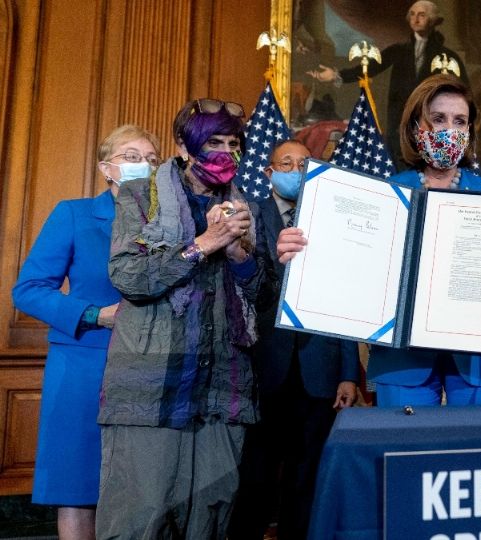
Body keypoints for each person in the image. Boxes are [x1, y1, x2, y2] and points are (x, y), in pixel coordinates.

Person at [277, 74, 481, 407]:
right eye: (438, 119)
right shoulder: (384, 196)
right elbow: (351, 270)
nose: (449, 129)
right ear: (415, 128)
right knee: (407, 453)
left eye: (459, 121)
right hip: (403, 360)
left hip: (480, 358)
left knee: (477, 452)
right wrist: (304, 251)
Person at [96, 99, 265, 538]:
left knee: (209, 518)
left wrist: (239, 254)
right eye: (214, 141)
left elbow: (262, 294)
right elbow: (129, 276)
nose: (225, 152)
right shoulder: (141, 195)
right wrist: (204, 244)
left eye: (233, 143)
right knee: (140, 517)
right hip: (153, 386)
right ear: (186, 147)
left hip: (222, 389)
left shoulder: (246, 207)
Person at [11, 125, 159, 540]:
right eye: (131, 156)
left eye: (151, 159)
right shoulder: (74, 214)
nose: (143, 165)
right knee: (77, 489)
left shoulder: (170, 223)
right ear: (106, 168)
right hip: (84, 364)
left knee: (144, 487)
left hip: (153, 367)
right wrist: (96, 314)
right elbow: (28, 290)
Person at [228, 139, 359, 540]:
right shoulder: (249, 216)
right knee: (256, 475)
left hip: (320, 370)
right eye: (288, 163)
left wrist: (349, 373)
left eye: (305, 164)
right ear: (269, 172)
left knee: (307, 478)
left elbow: (345, 300)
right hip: (264, 365)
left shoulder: (332, 219)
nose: (297, 170)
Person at [308, 1, 468, 166]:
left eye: (422, 15)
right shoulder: (399, 51)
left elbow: (464, 93)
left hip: (432, 123)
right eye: (412, 14)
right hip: (401, 121)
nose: (416, 19)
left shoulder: (447, 57)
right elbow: (369, 68)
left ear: (433, 20)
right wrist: (336, 75)